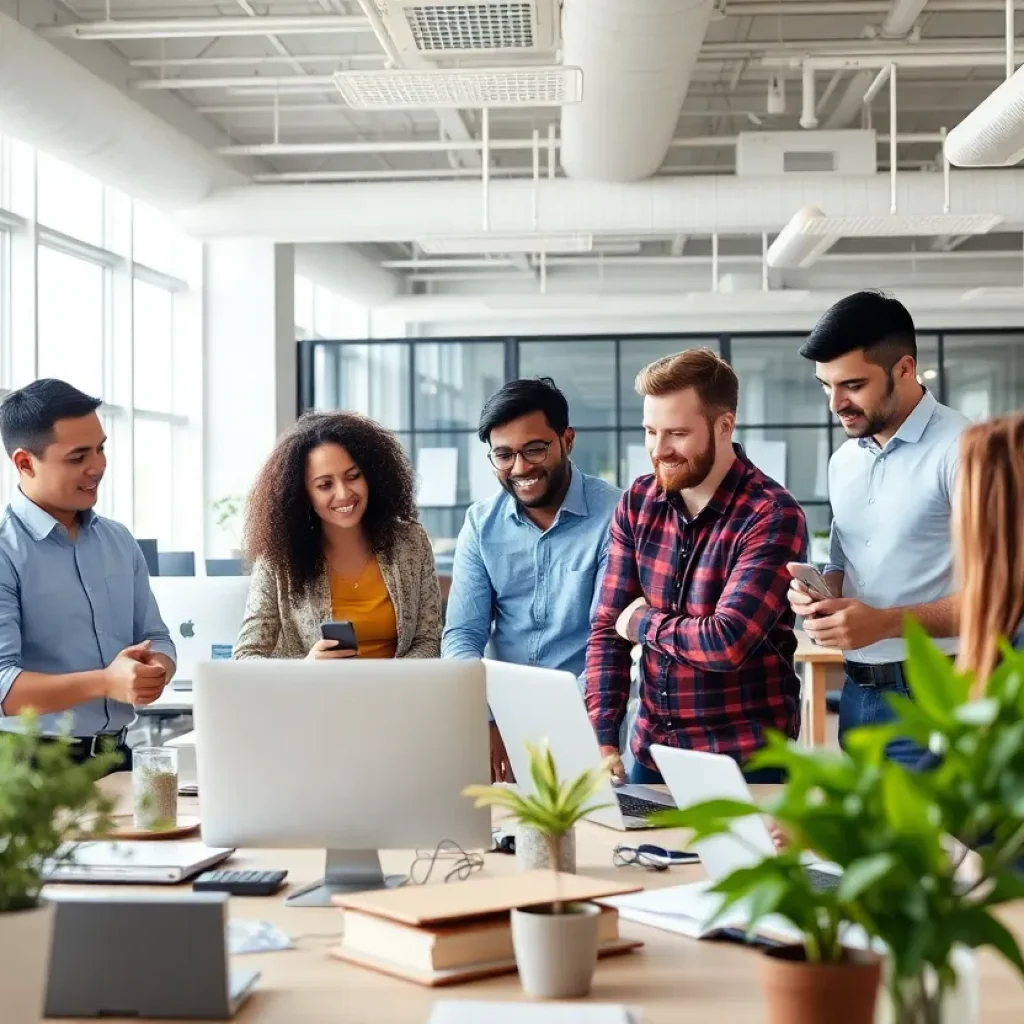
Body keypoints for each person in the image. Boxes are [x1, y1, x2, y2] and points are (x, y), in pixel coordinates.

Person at [586, 348, 807, 785]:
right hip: (651, 758)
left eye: (677, 433)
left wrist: (643, 623)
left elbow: (725, 643)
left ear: (724, 425)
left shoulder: (772, 515)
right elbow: (607, 628)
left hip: (746, 765)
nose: (659, 449)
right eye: (651, 431)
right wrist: (603, 738)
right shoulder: (638, 502)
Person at [788, 291, 967, 764]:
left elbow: (1003, 598)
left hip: (938, 695)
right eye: (825, 385)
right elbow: (844, 564)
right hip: (857, 696)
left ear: (904, 369)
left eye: (851, 385)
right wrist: (819, 593)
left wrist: (885, 622)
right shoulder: (844, 460)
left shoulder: (966, 450)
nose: (835, 403)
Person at [442, 377, 621, 781]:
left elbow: (607, 641)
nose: (520, 468)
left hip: (586, 724)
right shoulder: (481, 523)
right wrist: (485, 717)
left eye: (535, 449)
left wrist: (556, 726)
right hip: (496, 722)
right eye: (503, 455)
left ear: (567, 439)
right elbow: (462, 636)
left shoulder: (615, 516)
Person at [0, 379, 175, 772]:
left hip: (118, 757)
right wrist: (105, 682)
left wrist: (154, 671)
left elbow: (158, 638)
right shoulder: (5, 551)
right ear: (25, 462)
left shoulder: (118, 540)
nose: (97, 466)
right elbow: (2, 685)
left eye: (100, 448)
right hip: (31, 768)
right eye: (78, 457)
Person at [234, 411, 441, 661]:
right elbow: (245, 656)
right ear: (302, 494)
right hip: (317, 697)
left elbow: (428, 639)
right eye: (324, 485)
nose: (343, 494)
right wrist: (305, 668)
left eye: (353, 477)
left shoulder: (410, 541)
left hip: (397, 695)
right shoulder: (279, 558)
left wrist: (391, 681)